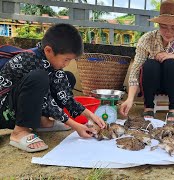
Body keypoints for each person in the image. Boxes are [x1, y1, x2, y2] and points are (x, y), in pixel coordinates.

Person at [0, 23, 106, 152]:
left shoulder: (50, 60)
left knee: (68, 77)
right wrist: (74, 125)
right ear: (48, 50)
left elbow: (64, 95)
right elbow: (46, 101)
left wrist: (90, 115)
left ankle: (42, 122)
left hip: (21, 105)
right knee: (39, 78)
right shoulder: (28, 60)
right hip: (5, 113)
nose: (66, 64)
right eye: (66, 59)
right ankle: (20, 131)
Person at [119, 0, 174, 123]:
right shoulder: (147, 39)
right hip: (150, 83)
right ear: (158, 25)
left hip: (173, 83)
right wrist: (130, 99)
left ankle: (173, 109)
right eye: (164, 27)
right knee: (150, 64)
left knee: (172, 63)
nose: (168, 32)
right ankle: (148, 107)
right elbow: (135, 71)